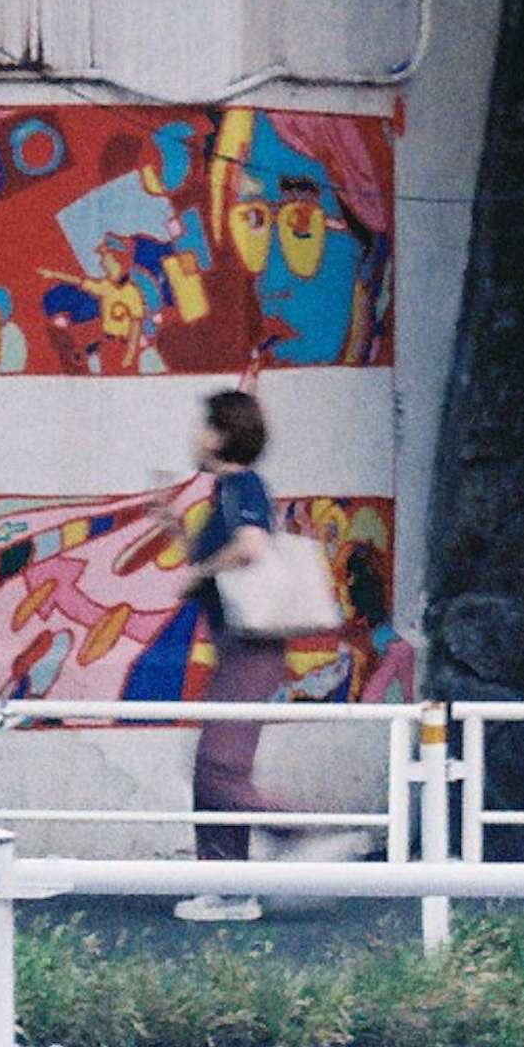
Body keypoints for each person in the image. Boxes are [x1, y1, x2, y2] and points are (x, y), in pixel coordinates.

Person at [179, 386, 294, 925]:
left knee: (219, 770)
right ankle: (223, 885)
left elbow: (250, 547)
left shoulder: (243, 484)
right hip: (237, 646)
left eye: (205, 425)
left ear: (223, 433)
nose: (195, 436)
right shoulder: (223, 493)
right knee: (213, 769)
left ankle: (311, 833)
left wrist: (199, 572)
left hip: (253, 646)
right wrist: (173, 529)